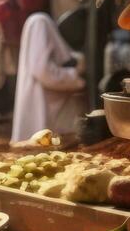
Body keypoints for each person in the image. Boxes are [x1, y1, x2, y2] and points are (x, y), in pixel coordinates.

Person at [12, 11, 85, 142]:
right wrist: (77, 77)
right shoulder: (40, 21)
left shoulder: (40, 22)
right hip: (42, 102)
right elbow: (43, 71)